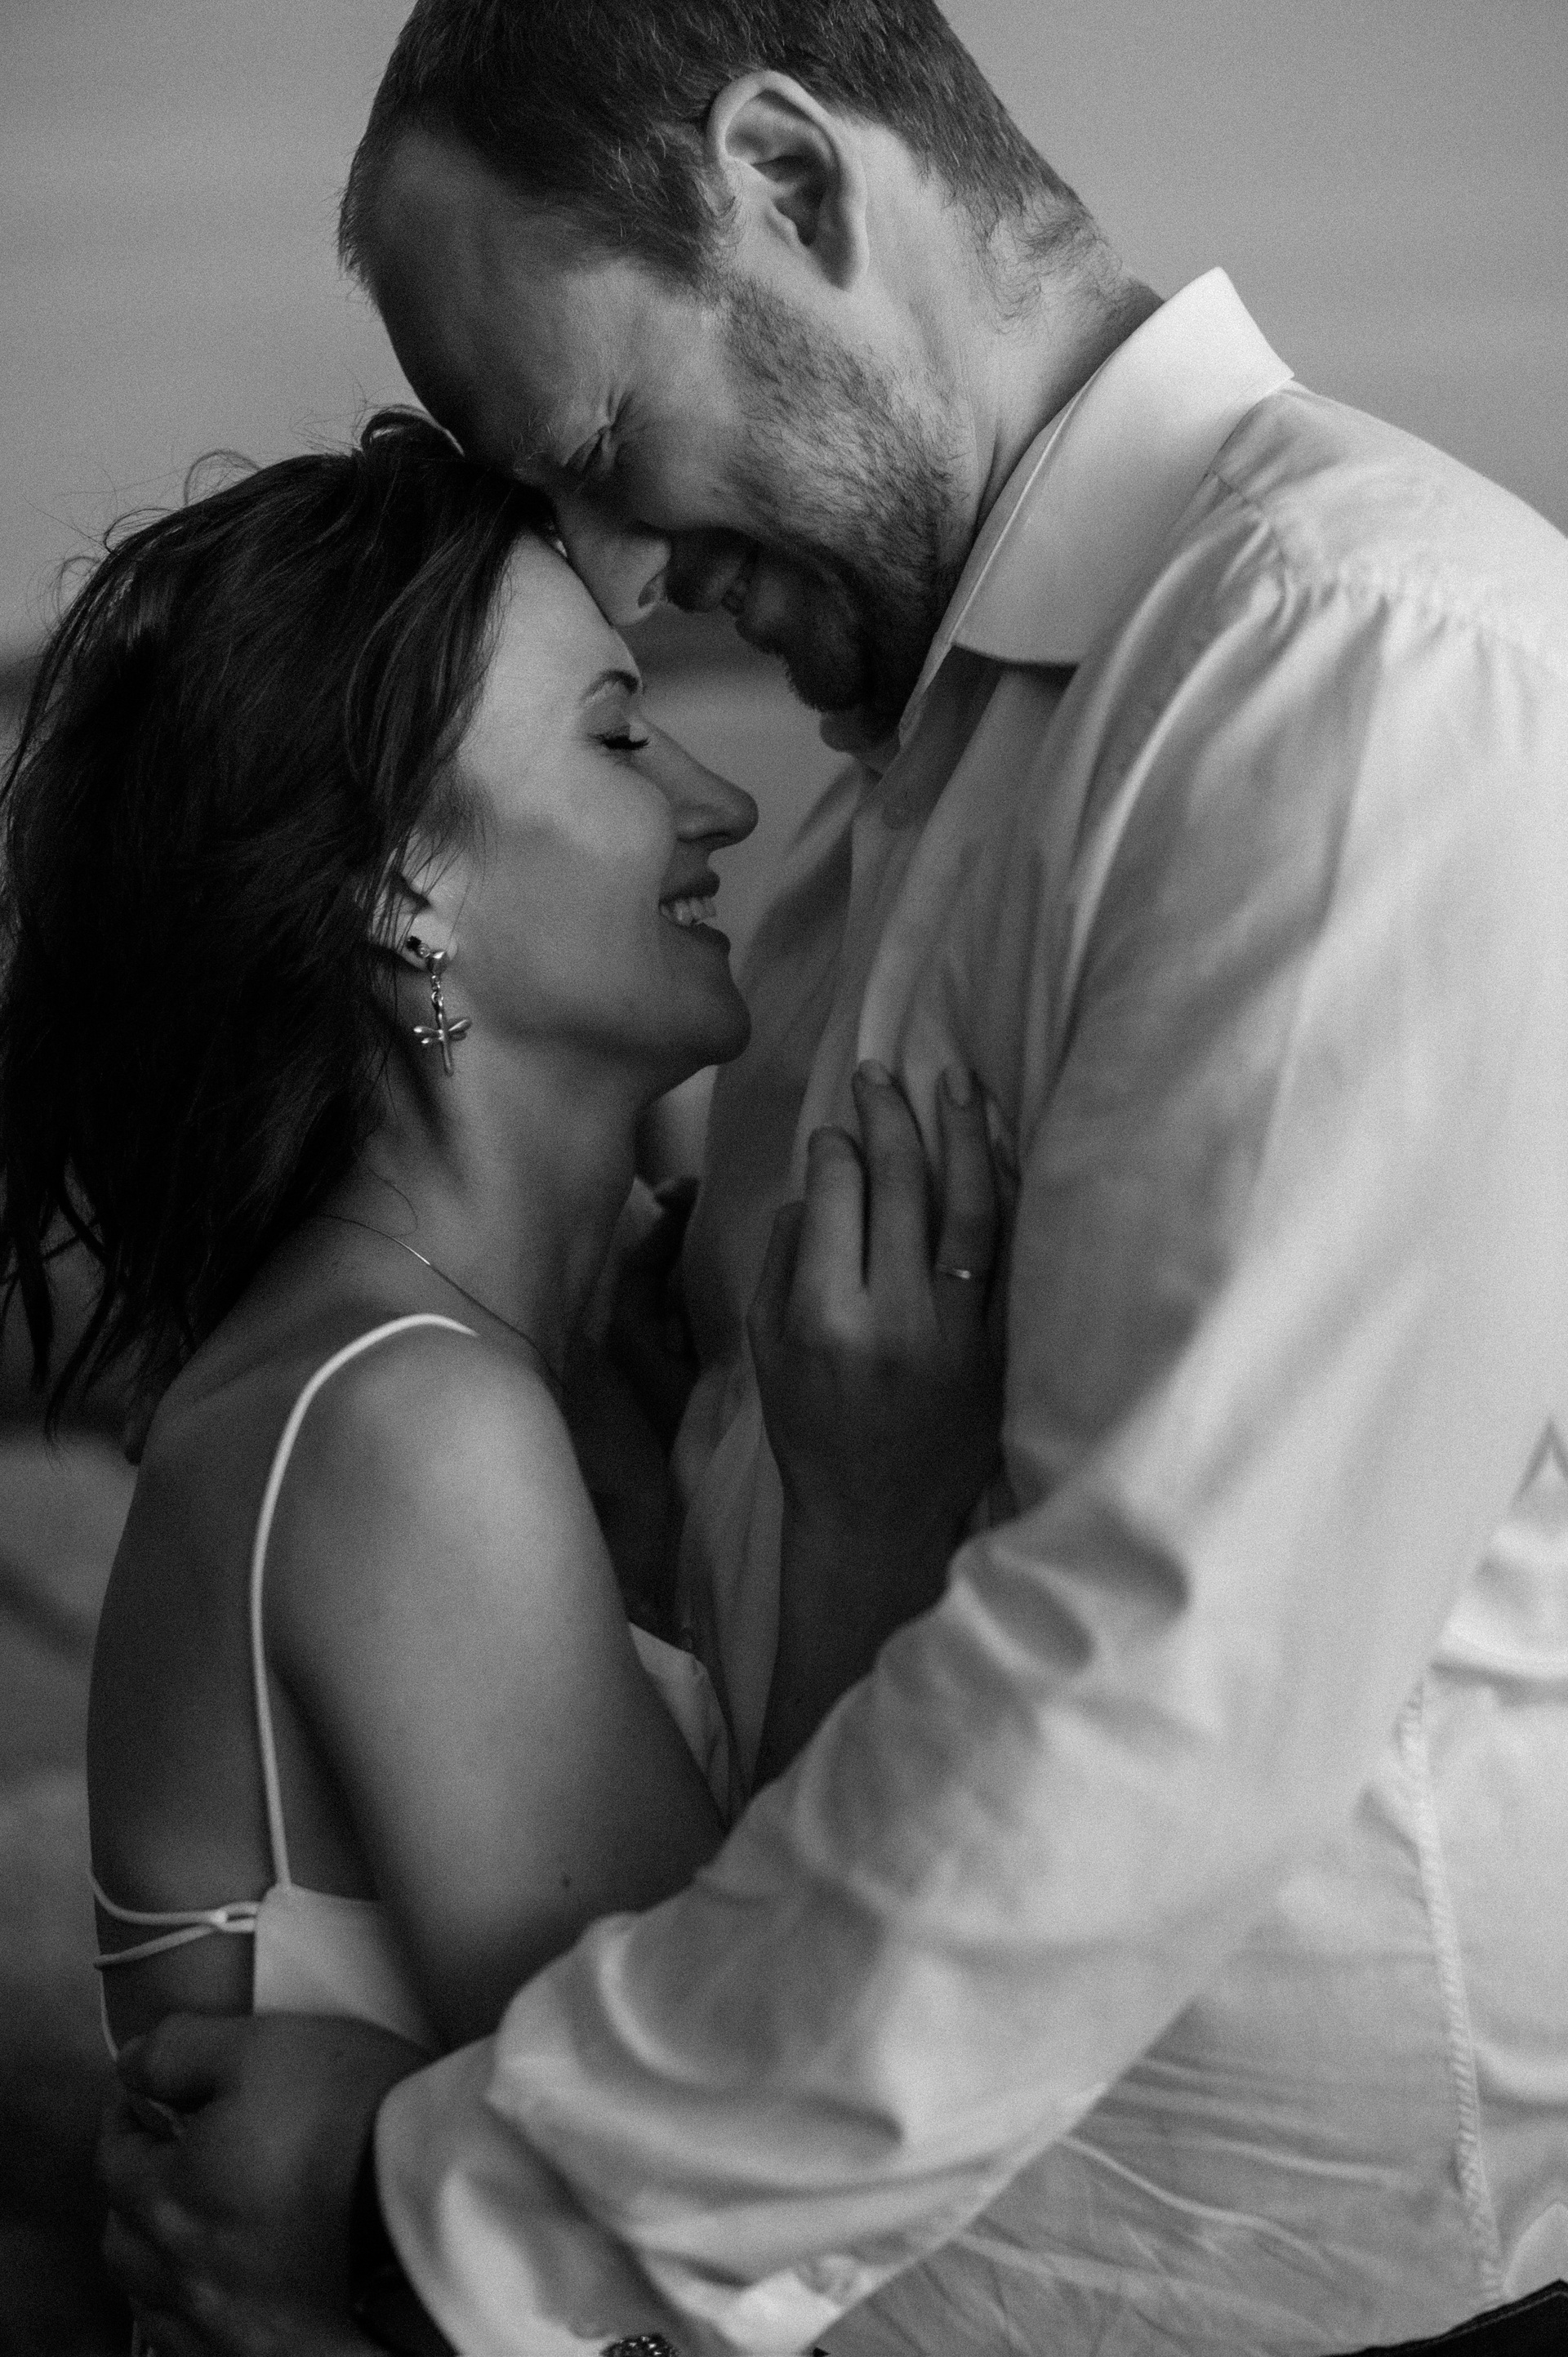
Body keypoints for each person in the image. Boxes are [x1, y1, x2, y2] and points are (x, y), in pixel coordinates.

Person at [97, 2, 1568, 2353]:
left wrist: (438, 2219)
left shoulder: (1351, 666)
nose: (634, 581)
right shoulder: (841, 889)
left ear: (791, 184)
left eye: (602, 445)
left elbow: (1163, 1671)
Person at [0, 407, 1000, 2335]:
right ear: (402, 892)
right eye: (619, 738)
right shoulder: (403, 1423)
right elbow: (724, 2182)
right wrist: (872, 1519)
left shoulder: (448, 1384)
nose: (720, 800)